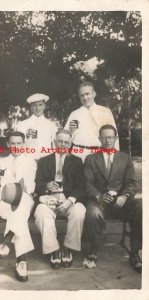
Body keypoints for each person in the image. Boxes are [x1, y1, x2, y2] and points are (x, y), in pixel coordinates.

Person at [83, 124, 142, 273]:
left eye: (110, 137)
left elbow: (132, 183)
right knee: (91, 213)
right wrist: (99, 196)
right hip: (99, 202)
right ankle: (93, 252)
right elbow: (87, 183)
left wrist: (125, 195)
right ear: (99, 139)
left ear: (115, 138)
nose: (107, 140)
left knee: (140, 207)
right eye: (104, 137)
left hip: (119, 203)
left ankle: (135, 253)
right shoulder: (90, 159)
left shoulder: (125, 158)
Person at [0, 131, 37, 282]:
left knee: (20, 205)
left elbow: (31, 187)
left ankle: (8, 243)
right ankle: (21, 261)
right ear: (8, 144)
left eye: (19, 143)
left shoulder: (30, 162)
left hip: (23, 201)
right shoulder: (2, 162)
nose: (16, 146)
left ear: (23, 145)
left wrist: (22, 187)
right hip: (4, 203)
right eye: (13, 143)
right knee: (18, 214)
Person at [34, 129, 86, 269]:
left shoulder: (76, 161)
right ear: (54, 142)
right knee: (41, 213)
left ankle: (68, 248)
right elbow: (37, 184)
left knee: (79, 211)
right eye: (60, 141)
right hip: (49, 199)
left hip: (68, 199)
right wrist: (46, 185)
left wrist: (70, 201)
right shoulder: (44, 161)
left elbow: (81, 186)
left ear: (70, 144)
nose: (62, 144)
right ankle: (54, 250)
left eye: (66, 142)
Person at [64, 82, 119, 161]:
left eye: (87, 94)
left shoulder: (105, 112)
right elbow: (66, 137)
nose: (85, 97)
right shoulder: (74, 114)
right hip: (78, 154)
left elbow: (114, 136)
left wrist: (115, 157)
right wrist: (70, 131)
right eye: (82, 95)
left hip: (99, 154)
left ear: (94, 94)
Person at [17, 93, 58, 160]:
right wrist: (26, 136)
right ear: (31, 107)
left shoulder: (51, 125)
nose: (37, 108)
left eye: (40, 105)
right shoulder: (23, 124)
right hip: (28, 160)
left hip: (46, 161)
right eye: (34, 105)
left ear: (44, 106)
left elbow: (55, 145)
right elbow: (17, 144)